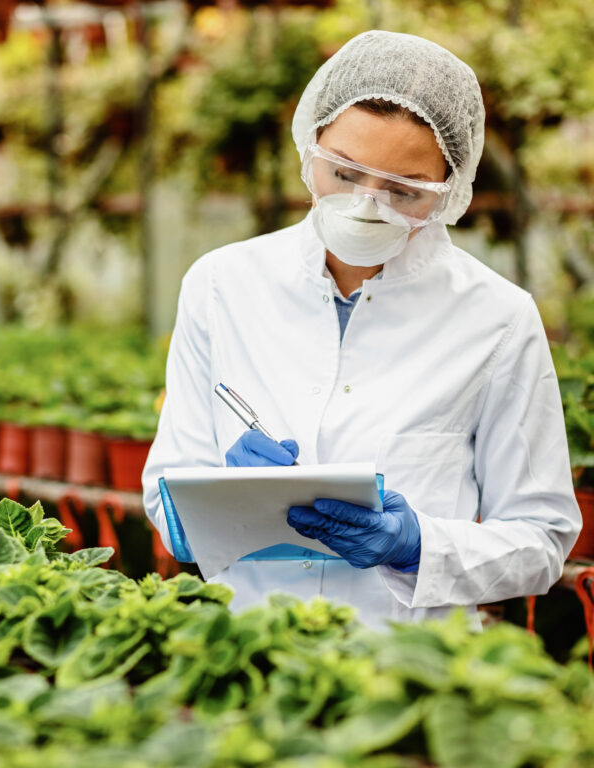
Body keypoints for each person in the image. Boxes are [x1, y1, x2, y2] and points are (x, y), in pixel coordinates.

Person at [141, 30, 582, 629]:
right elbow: (166, 493)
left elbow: (541, 539)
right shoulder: (222, 285)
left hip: (409, 667)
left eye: (403, 191)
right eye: (344, 174)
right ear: (310, 145)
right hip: (247, 645)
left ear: (449, 192)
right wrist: (219, 497)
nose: (367, 205)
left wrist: (417, 544)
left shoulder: (497, 318)